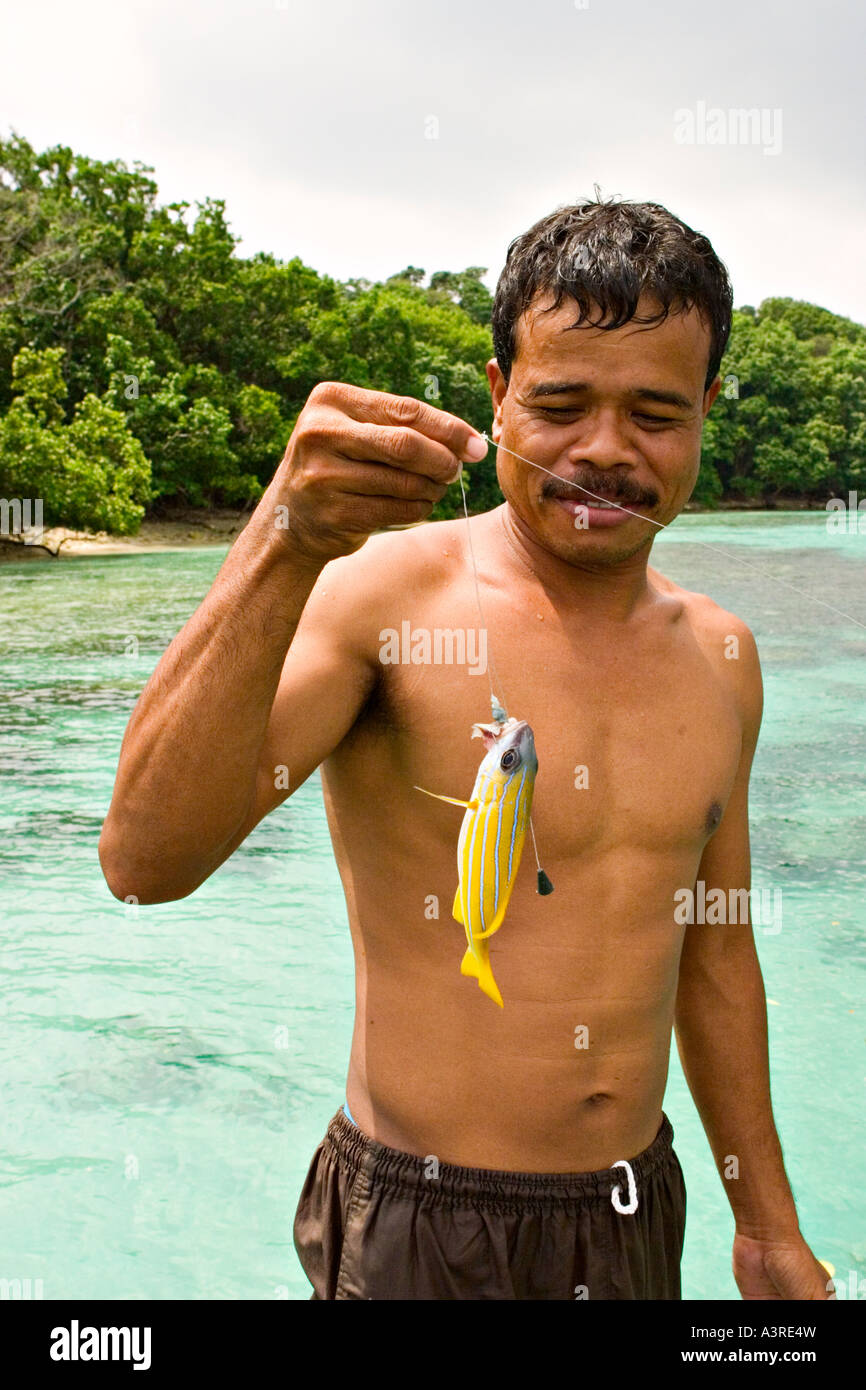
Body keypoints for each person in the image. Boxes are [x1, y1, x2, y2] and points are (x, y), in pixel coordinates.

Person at [99, 196, 831, 1301]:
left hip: (633, 1213)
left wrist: (765, 1226)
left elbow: (715, 950)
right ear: (495, 394)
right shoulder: (382, 595)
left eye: (654, 413)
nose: (604, 450)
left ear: (707, 410)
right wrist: (282, 536)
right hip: (419, 1218)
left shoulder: (721, 655)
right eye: (559, 402)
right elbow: (143, 865)